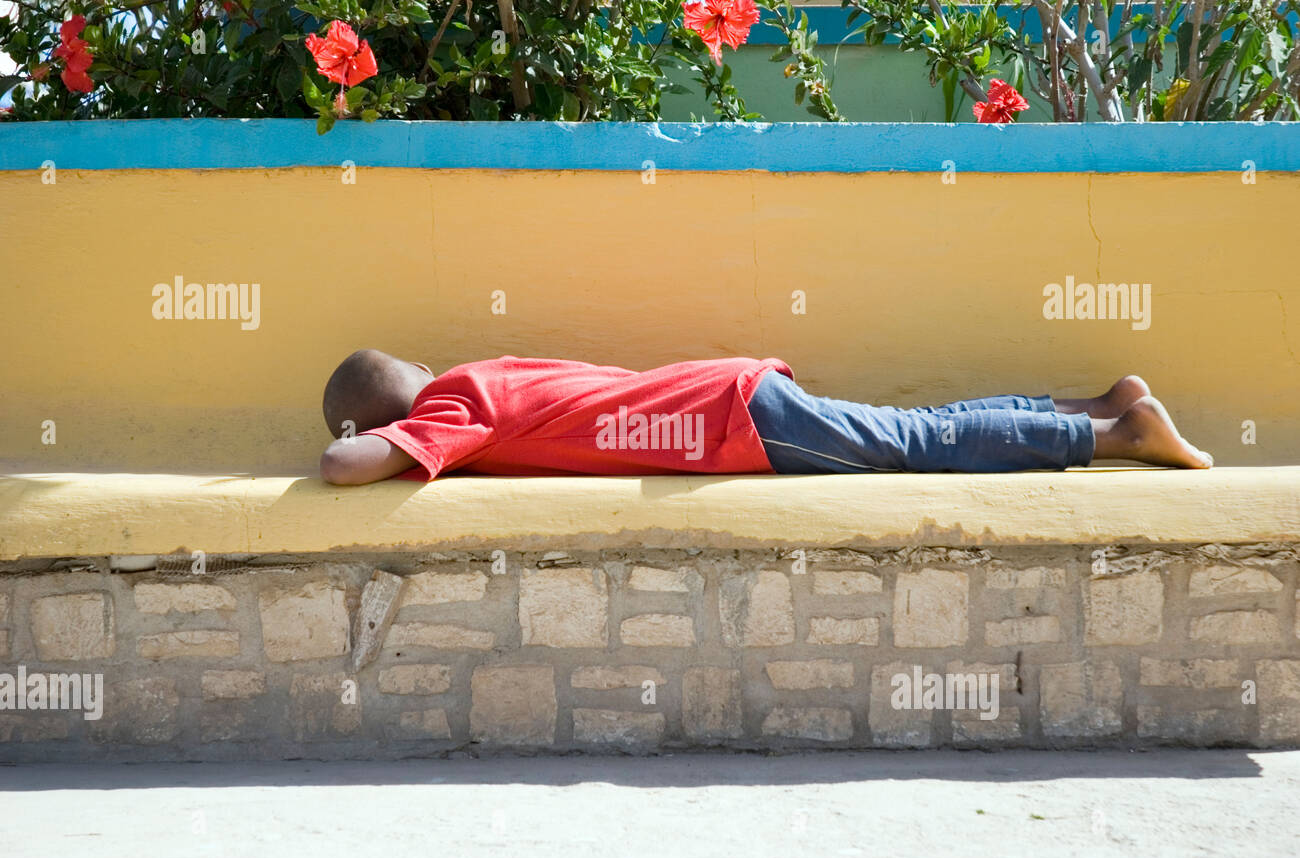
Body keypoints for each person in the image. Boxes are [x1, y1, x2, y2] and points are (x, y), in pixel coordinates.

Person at [318, 349, 1212, 485]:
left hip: (730, 426)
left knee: (907, 447)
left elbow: (343, 471)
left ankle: (1113, 437)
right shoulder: (481, 374)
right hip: (731, 393)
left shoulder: (450, 408)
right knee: (912, 426)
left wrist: (356, 448)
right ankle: (1100, 406)